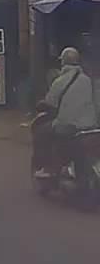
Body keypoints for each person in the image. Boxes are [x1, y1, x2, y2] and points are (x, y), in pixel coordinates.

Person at [33, 47, 98, 179]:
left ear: (63, 62)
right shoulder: (89, 80)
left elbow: (50, 103)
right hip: (91, 126)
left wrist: (41, 104)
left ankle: (48, 168)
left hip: (68, 126)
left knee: (42, 132)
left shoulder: (59, 81)